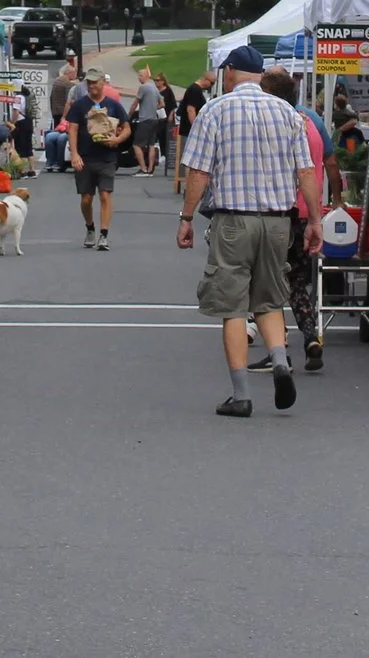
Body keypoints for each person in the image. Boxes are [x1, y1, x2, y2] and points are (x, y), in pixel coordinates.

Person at [178, 46, 320, 418]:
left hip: (233, 221)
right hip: (277, 221)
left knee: (233, 305)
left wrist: (187, 217)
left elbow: (198, 172)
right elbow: (306, 172)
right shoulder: (288, 113)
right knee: (270, 298)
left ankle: (241, 394)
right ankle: (279, 361)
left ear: (229, 73)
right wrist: (316, 221)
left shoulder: (215, 110)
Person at [248, 67, 329, 376]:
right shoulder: (312, 122)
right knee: (295, 279)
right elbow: (326, 162)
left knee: (268, 280)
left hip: (282, 209)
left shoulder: (281, 125)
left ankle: (277, 348)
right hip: (308, 210)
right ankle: (310, 336)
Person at [68, 69, 130, 248]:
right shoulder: (79, 105)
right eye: (89, 83)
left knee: (105, 195)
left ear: (103, 83)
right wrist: (74, 154)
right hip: (85, 157)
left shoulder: (113, 105)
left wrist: (117, 139)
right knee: (86, 198)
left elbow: (126, 128)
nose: (92, 86)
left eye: (95, 82)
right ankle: (90, 228)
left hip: (107, 157)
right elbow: (72, 129)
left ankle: (104, 234)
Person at [132, 67, 165, 175]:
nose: (138, 78)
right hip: (154, 120)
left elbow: (135, 103)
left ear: (146, 76)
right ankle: (150, 169)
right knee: (151, 145)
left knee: (137, 145)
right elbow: (162, 103)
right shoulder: (154, 88)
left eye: (140, 75)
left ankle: (143, 168)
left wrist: (129, 115)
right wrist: (153, 107)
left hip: (145, 120)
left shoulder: (143, 88)